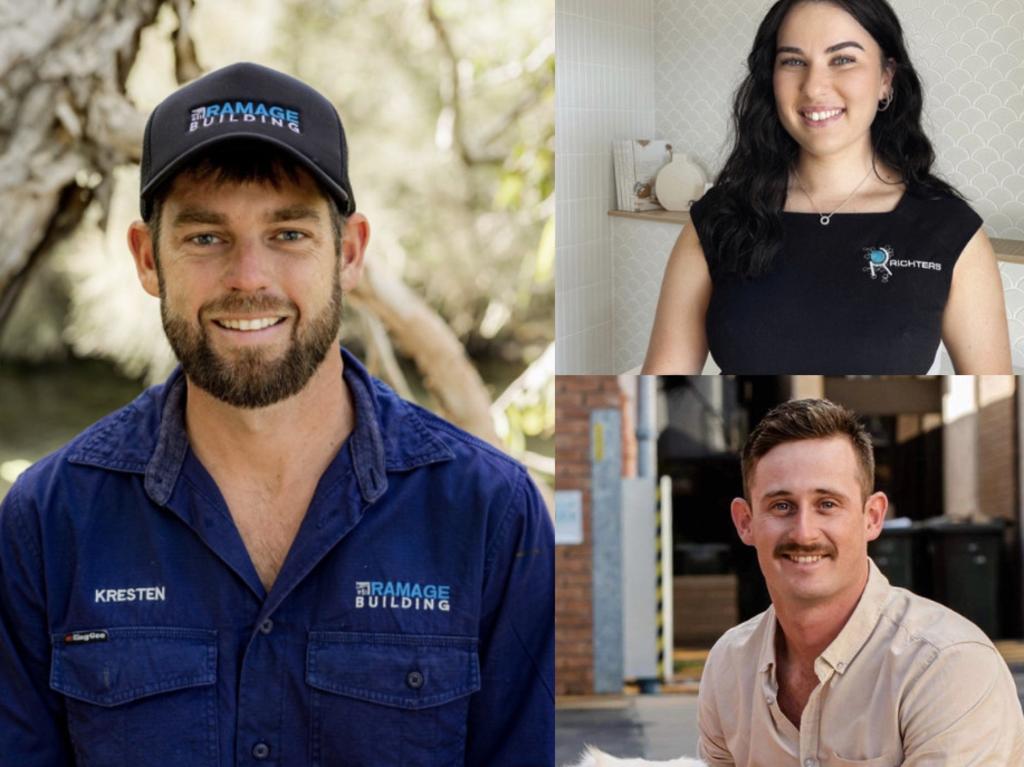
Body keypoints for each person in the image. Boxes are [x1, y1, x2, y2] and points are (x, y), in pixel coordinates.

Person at [0, 62, 554, 766]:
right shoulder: (48, 523)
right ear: (147, 259)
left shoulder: (490, 515)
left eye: (288, 234)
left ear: (349, 253)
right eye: (206, 237)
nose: (249, 278)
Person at [643, 0, 1012, 375]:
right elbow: (664, 391)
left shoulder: (952, 231)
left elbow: (995, 409)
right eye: (793, 61)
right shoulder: (716, 219)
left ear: (886, 79)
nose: (814, 87)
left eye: (843, 59)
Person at [698, 398, 1024, 765]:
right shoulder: (728, 665)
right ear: (745, 522)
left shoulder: (948, 665)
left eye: (827, 504)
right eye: (782, 506)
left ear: (872, 517)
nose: (804, 533)